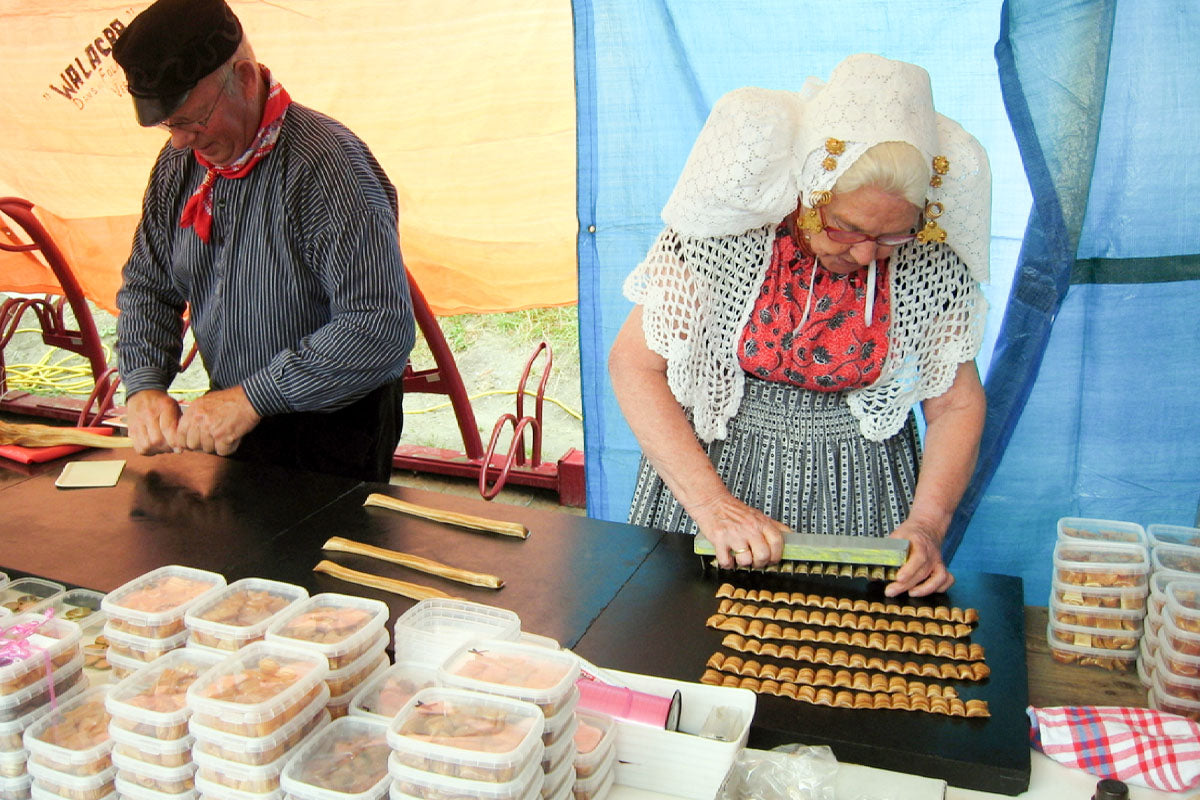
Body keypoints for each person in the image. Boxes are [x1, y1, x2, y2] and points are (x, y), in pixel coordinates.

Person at [609, 54, 991, 597]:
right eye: (846, 227)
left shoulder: (928, 262)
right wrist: (714, 507)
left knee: (848, 655)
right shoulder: (728, 234)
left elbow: (956, 402)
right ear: (813, 191)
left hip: (862, 492)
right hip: (718, 474)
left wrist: (928, 525)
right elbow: (634, 365)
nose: (864, 254)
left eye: (891, 237)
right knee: (691, 641)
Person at [112, 0, 414, 482]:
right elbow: (149, 286)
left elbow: (379, 325)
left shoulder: (327, 167)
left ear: (247, 78)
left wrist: (254, 397)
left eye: (193, 119)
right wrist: (144, 384)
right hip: (237, 417)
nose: (180, 142)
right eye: (171, 126)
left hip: (334, 430)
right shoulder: (179, 171)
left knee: (306, 554)